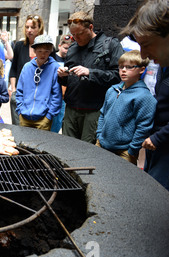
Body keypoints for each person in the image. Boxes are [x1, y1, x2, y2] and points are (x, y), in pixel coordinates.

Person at [121, 0, 169, 190]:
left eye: (147, 44)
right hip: (158, 151)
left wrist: (159, 137)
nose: (143, 55)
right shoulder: (164, 66)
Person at [57, 11, 124, 144]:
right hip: (71, 109)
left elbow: (119, 76)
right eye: (73, 35)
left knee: (87, 152)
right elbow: (68, 80)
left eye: (80, 34)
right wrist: (62, 75)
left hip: (94, 110)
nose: (76, 38)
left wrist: (91, 73)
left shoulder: (110, 45)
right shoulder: (72, 48)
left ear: (91, 27)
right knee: (67, 149)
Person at [96, 50, 156, 165]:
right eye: (121, 67)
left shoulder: (144, 96)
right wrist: (99, 136)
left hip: (124, 151)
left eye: (129, 67)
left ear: (142, 69)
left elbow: (143, 127)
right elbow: (103, 114)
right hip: (102, 144)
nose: (123, 70)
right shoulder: (112, 90)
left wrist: (132, 150)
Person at [15, 35, 62, 131]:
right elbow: (19, 90)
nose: (43, 54)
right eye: (40, 51)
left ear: (50, 51)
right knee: (23, 143)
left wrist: (49, 116)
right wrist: (20, 110)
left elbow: (56, 95)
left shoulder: (54, 68)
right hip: (24, 116)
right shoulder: (27, 67)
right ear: (34, 51)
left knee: (41, 144)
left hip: (43, 118)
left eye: (46, 51)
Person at [9, 15, 45, 125]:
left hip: (39, 95)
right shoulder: (19, 45)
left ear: (39, 28)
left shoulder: (46, 47)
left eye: (33, 27)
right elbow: (14, 69)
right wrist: (14, 88)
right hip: (20, 93)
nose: (29, 30)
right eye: (27, 27)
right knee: (18, 125)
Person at [51, 34, 73, 133]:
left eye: (69, 48)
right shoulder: (52, 58)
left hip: (65, 97)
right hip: (53, 94)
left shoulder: (72, 59)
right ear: (59, 46)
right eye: (65, 48)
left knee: (59, 121)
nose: (67, 51)